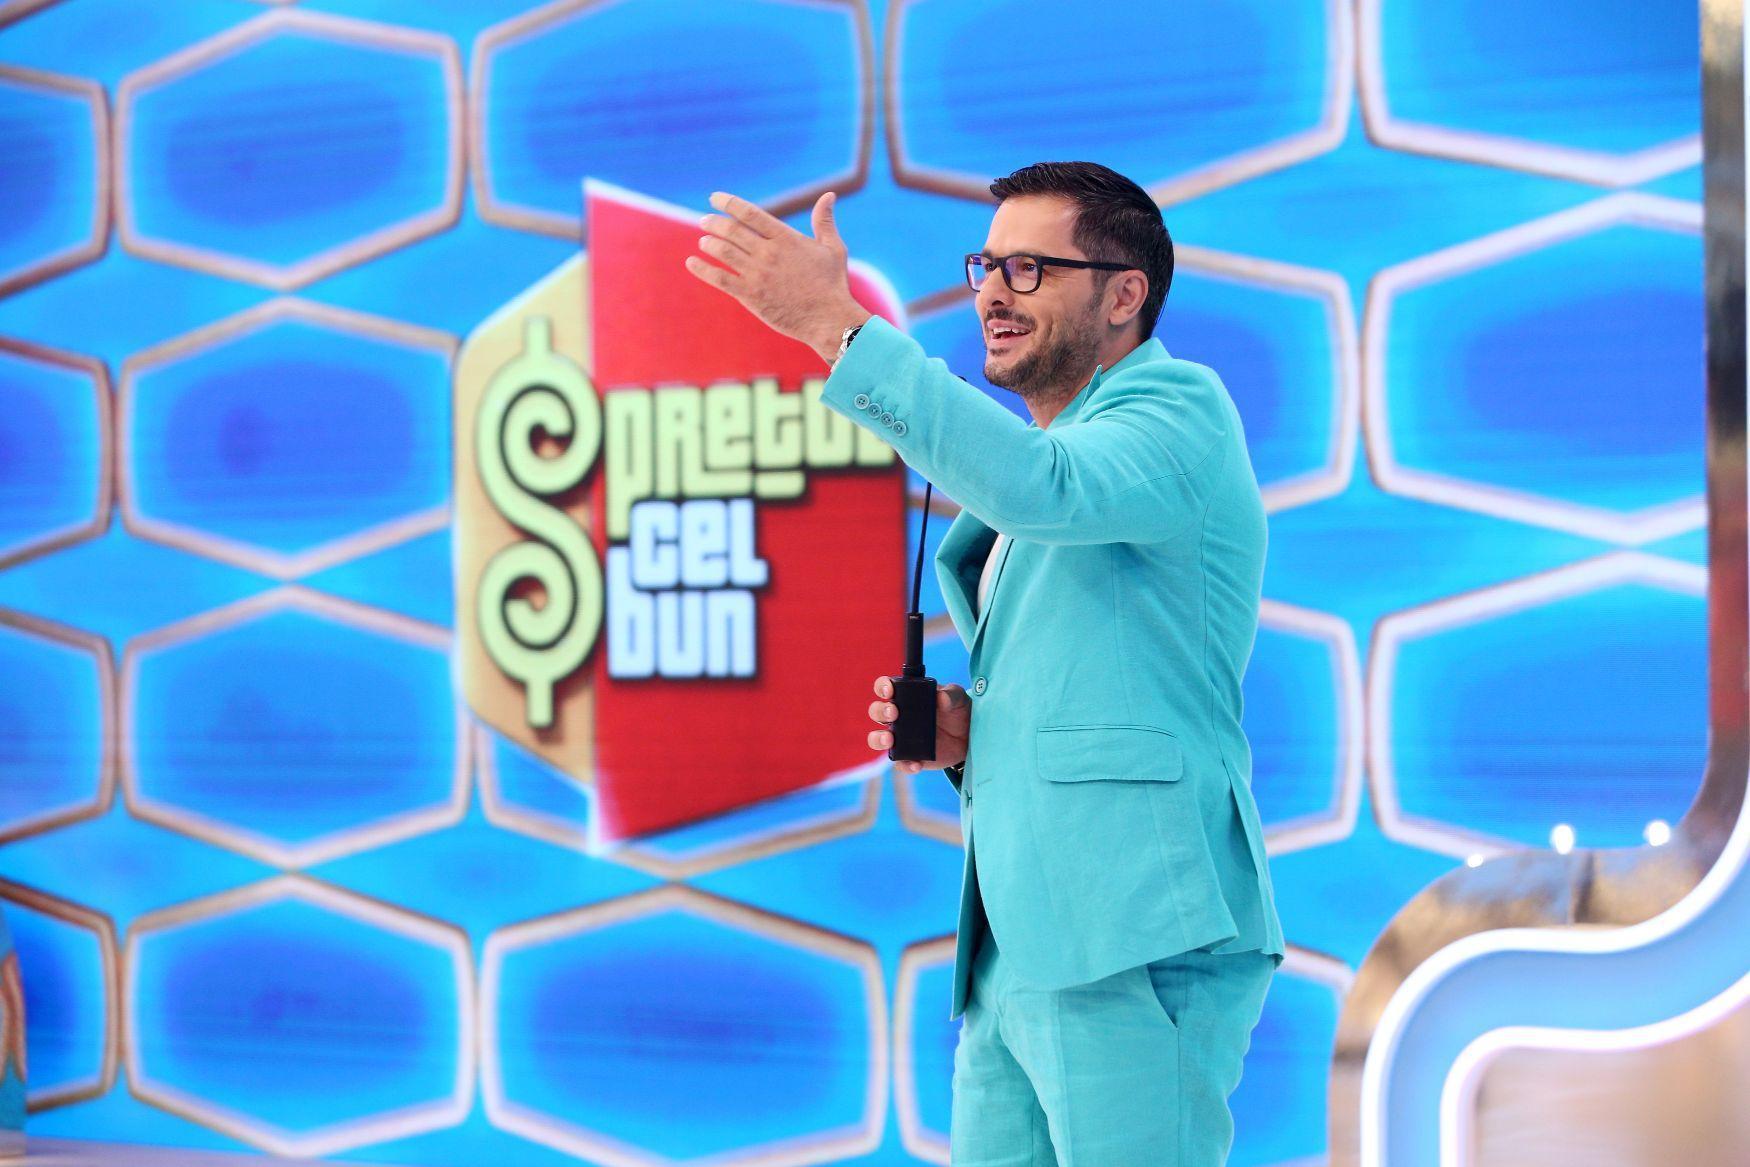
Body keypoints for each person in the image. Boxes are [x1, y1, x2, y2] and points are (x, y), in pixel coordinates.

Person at [687, 160, 1281, 1167]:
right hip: (1017, 943)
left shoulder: (1178, 410)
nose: (993, 293)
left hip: (1134, 934)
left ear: (1123, 296)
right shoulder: (1066, 454)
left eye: (1029, 268)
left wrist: (836, 327)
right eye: (987, 266)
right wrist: (976, 738)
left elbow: (1040, 486)